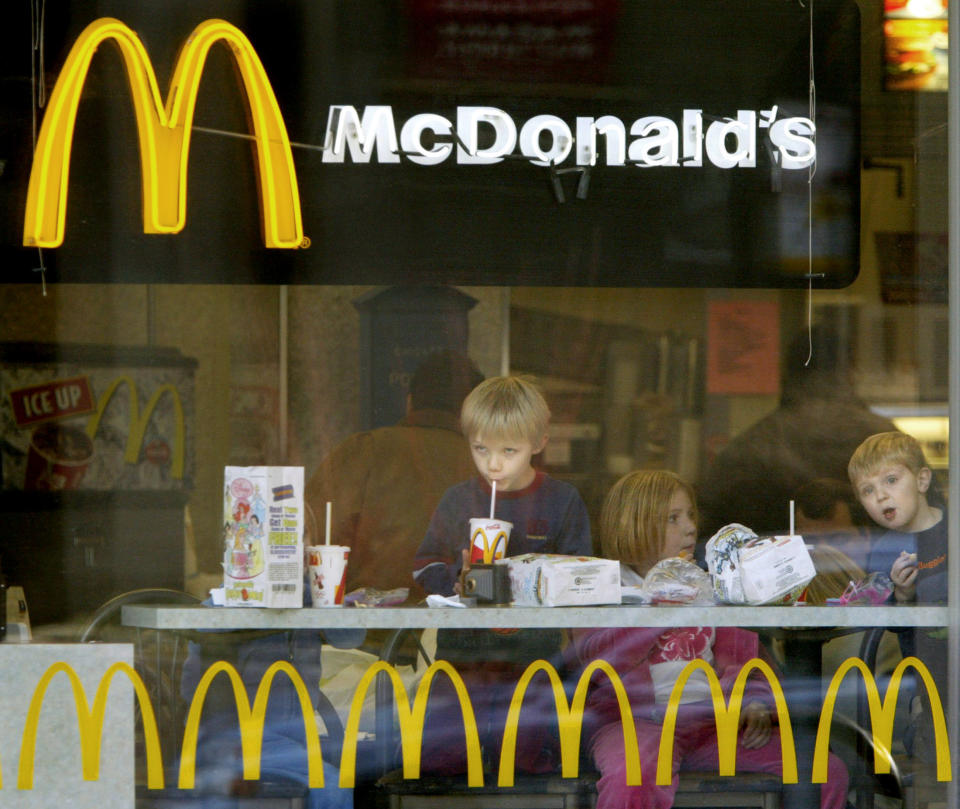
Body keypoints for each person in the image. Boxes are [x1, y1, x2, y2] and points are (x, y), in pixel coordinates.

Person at [572, 470, 849, 809]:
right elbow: (599, 662)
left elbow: (752, 662)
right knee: (632, 776)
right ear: (633, 526)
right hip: (637, 724)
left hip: (715, 725)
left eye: (690, 515)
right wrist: (662, 604)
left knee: (821, 771)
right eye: (673, 519)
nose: (689, 527)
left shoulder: (713, 586)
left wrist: (756, 701)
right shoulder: (606, 590)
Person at [412, 374, 592, 774]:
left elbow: (584, 578)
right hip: (461, 662)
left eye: (509, 450)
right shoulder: (458, 500)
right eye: (481, 449)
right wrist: (457, 581)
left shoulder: (562, 501)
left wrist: (537, 578)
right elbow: (424, 565)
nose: (493, 463)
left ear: (539, 443)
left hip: (535, 664)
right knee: (446, 764)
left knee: (530, 767)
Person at [178, 553, 367, 808]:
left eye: (302, 539)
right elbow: (201, 630)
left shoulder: (309, 597)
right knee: (332, 788)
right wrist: (250, 593)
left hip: (295, 740)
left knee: (335, 785)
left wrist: (323, 595)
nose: (292, 551)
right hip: (240, 741)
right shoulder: (228, 600)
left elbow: (351, 638)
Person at [305, 350, 483, 598]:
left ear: (409, 402)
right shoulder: (489, 465)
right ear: (473, 414)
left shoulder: (364, 450)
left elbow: (310, 539)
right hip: (460, 629)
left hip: (370, 630)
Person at [698, 323, 896, 537]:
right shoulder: (882, 440)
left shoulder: (752, 446)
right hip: (871, 566)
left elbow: (711, 531)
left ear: (787, 374)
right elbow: (925, 522)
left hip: (771, 565)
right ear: (849, 372)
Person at [848, 431, 947, 765]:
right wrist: (903, 598)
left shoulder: (955, 530)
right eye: (868, 490)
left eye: (891, 480)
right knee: (925, 742)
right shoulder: (883, 551)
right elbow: (888, 627)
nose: (881, 496)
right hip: (929, 685)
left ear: (921, 480)